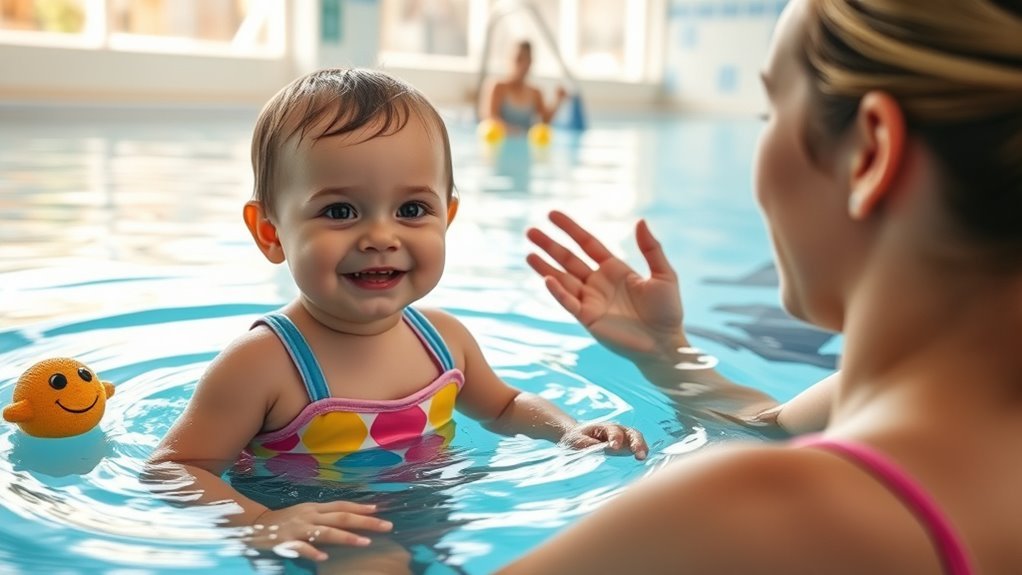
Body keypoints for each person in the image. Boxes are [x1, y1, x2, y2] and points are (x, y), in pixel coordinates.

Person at [502, 0, 1022, 572]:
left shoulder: (754, 518)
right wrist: (665, 351)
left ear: (869, 155)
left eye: (769, 113)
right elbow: (767, 423)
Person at [146, 68, 647, 564]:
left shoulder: (444, 340)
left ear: (447, 217)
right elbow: (175, 468)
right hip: (323, 532)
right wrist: (259, 521)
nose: (382, 237)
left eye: (411, 209)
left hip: (431, 510)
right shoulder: (263, 362)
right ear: (271, 232)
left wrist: (567, 428)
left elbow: (504, 406)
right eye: (340, 212)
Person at [481, 40, 568, 133]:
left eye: (526, 60)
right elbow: (490, 117)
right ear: (510, 59)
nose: (522, 66)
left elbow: (545, 122)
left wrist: (557, 101)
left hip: (525, 144)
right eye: (518, 59)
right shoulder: (497, 87)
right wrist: (513, 131)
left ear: (530, 63)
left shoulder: (535, 92)